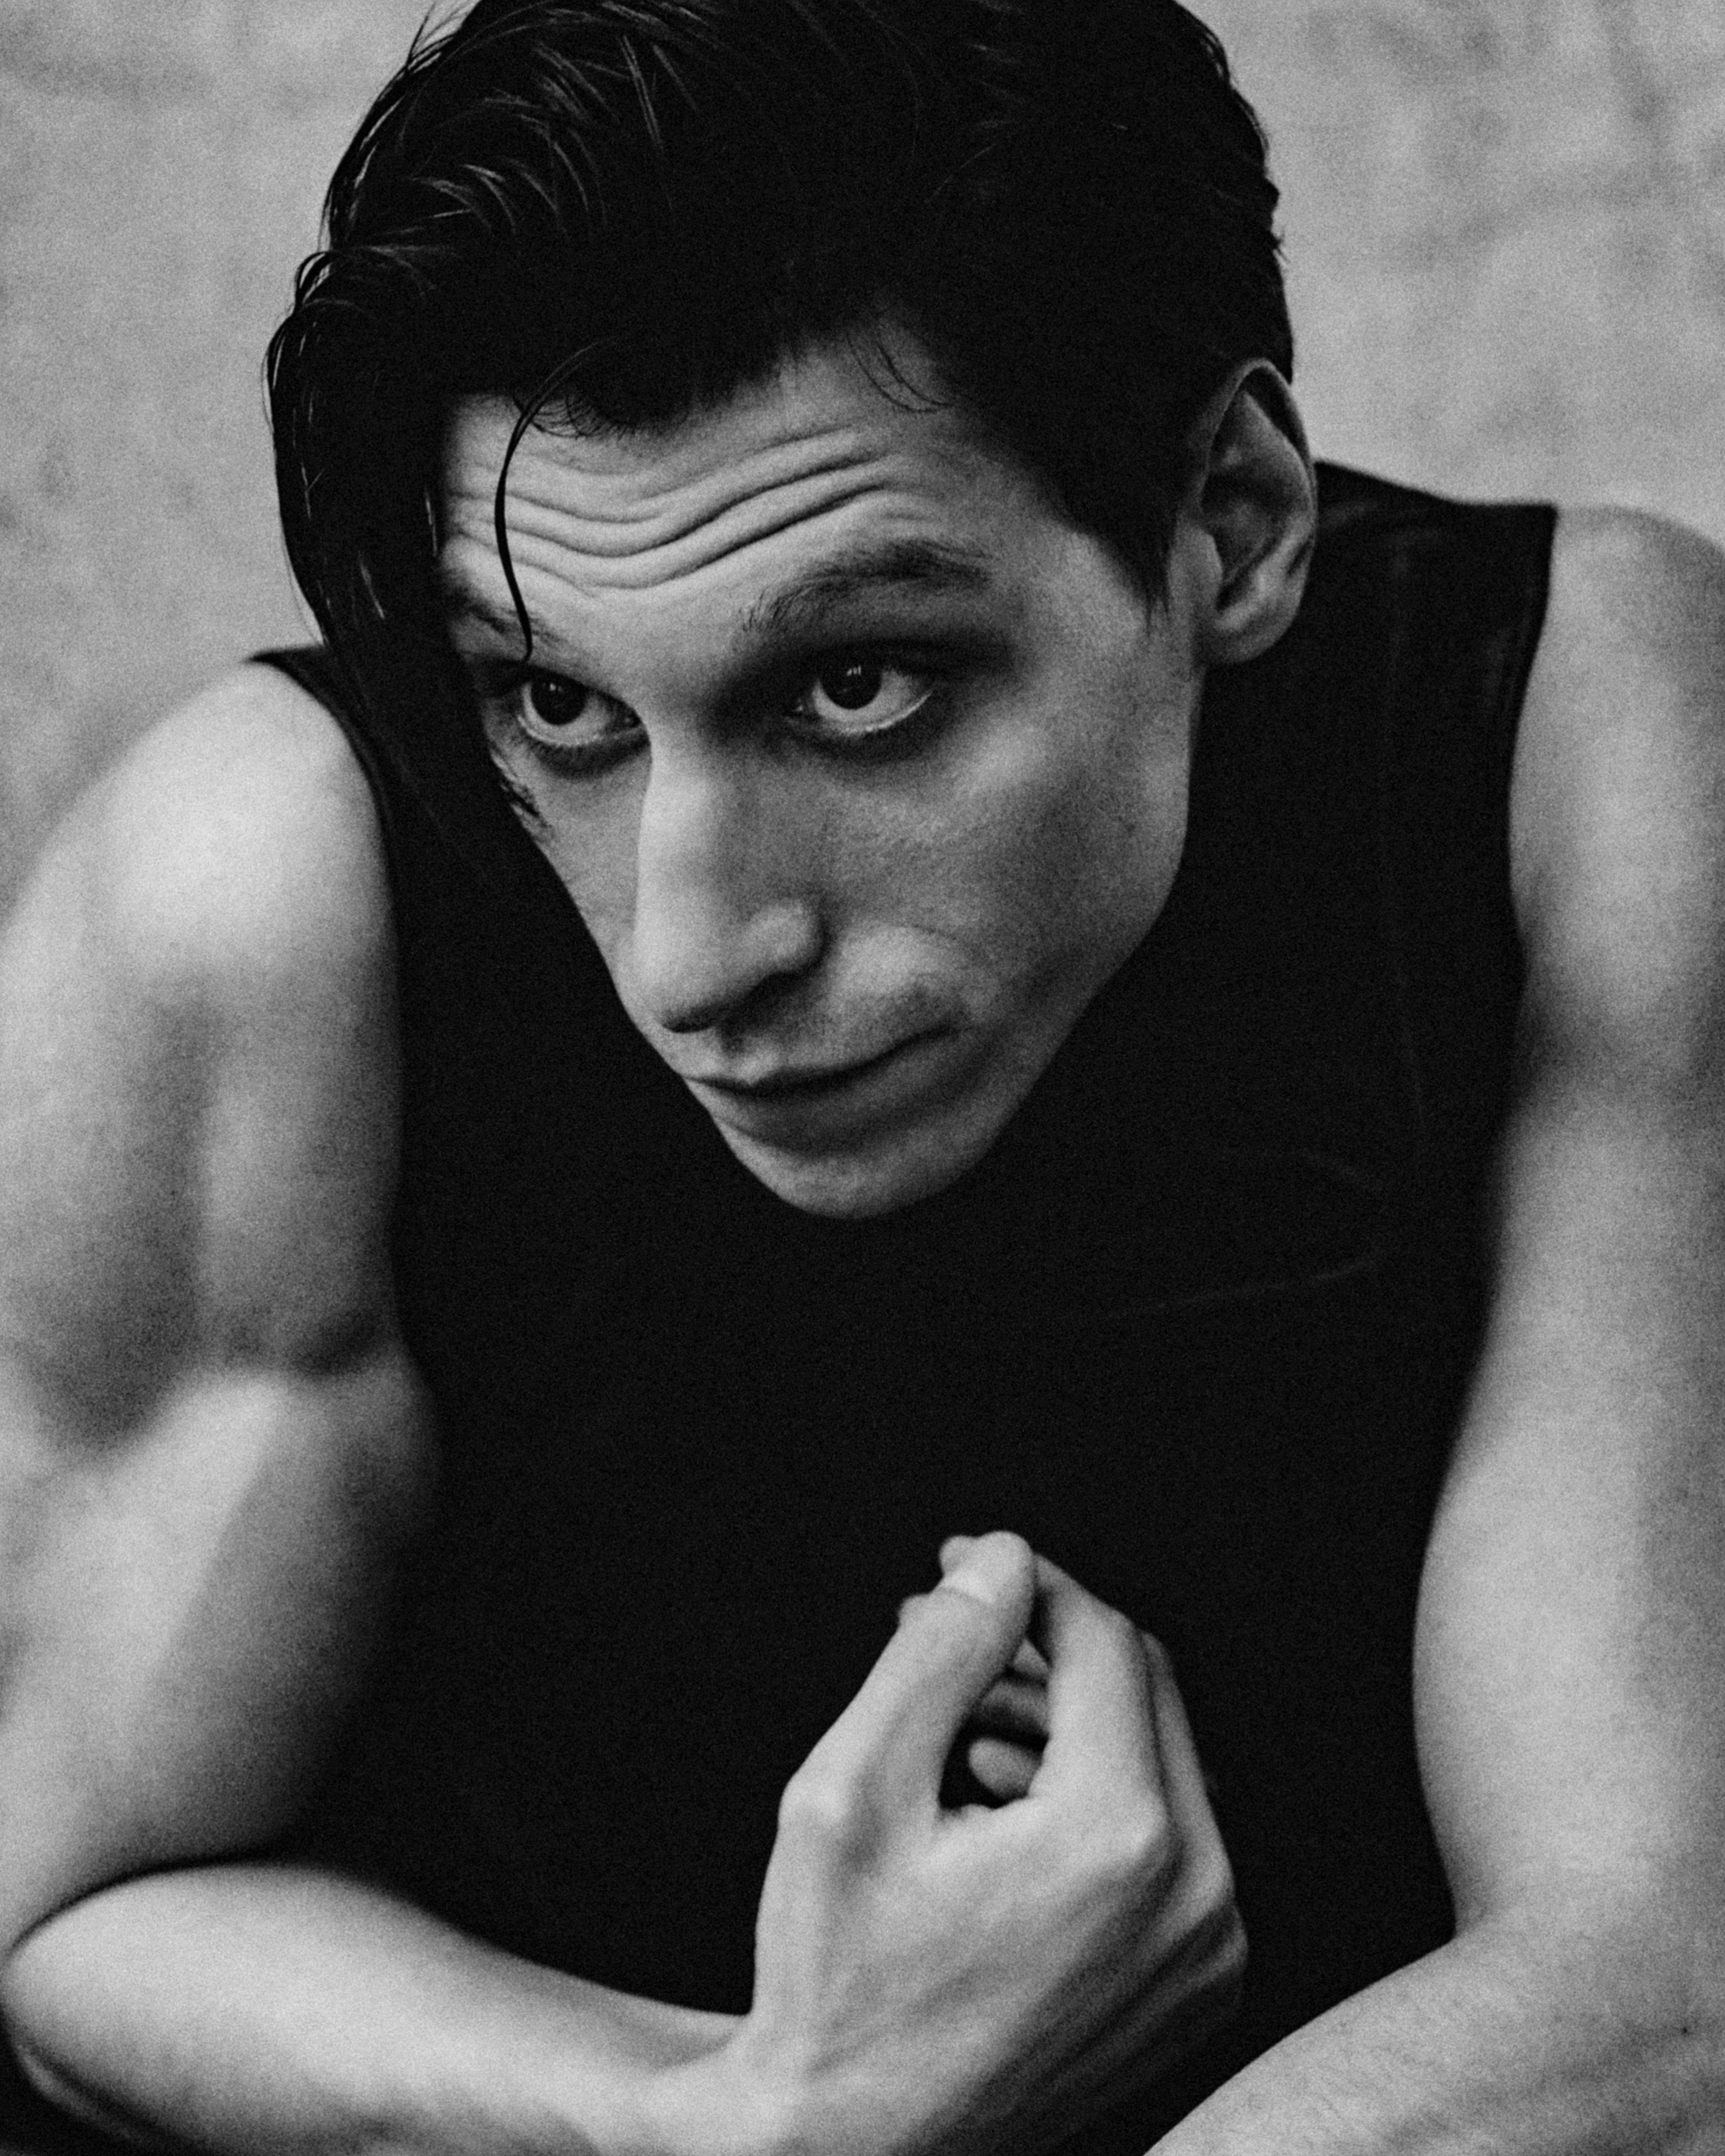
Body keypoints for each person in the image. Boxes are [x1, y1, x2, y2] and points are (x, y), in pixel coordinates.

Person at [1, 0, 1723, 2149]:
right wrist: (742, 2124)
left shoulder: (1580, 741)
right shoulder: (253, 888)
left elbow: (1661, 1972)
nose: (692, 950)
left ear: (1233, 522)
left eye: (856, 685)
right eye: (556, 704)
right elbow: (69, 1905)